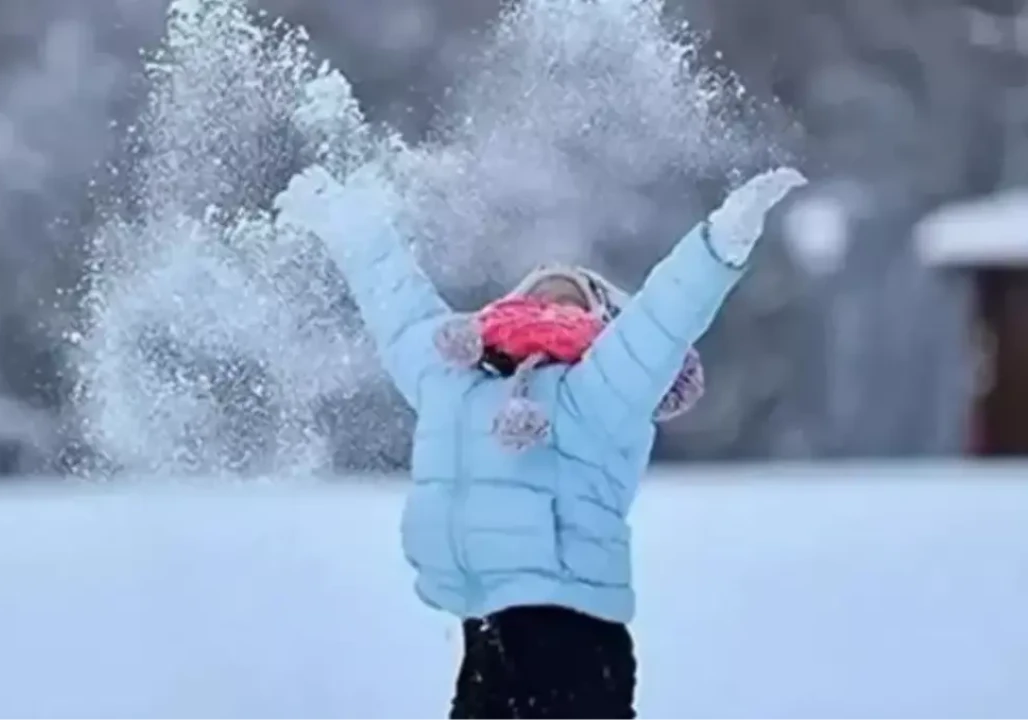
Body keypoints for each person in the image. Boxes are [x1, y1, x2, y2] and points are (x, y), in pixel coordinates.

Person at [275, 161, 807, 719]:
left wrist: (720, 242)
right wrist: (352, 227)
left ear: (605, 326)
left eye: (572, 301)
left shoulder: (601, 389)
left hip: (574, 636)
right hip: (485, 631)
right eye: (540, 297)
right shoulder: (453, 380)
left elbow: (663, 319)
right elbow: (401, 310)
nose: (553, 306)